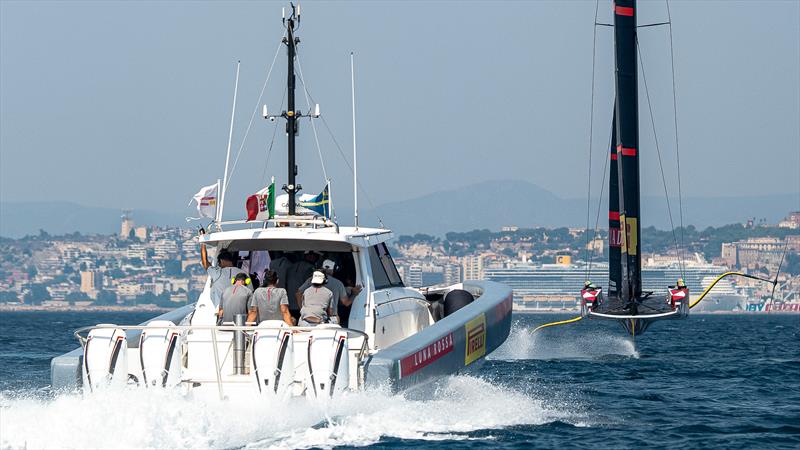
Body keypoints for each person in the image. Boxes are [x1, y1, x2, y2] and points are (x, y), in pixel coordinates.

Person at [296, 259, 361, 327]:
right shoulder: (337, 284)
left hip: (306, 319)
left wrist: (302, 310)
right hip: (323, 320)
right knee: (336, 318)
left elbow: (298, 293)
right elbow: (346, 303)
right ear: (334, 269)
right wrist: (354, 294)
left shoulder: (309, 281)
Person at [285, 251, 318, 319]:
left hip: (290, 303)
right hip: (302, 305)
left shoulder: (290, 267)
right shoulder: (310, 268)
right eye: (315, 256)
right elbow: (311, 286)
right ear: (310, 256)